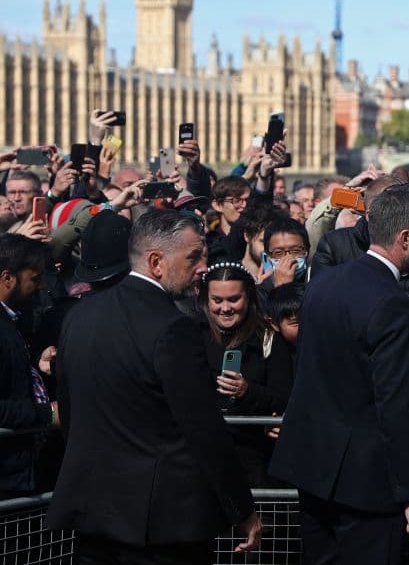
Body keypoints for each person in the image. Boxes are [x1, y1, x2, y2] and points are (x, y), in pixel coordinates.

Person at [48, 209, 261, 564]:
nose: (202, 268)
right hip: (161, 527)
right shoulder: (172, 328)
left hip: (94, 513)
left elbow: (70, 415)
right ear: (156, 262)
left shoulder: (79, 316)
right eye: (193, 257)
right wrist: (242, 509)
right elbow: (203, 430)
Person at [270, 187, 409, 563]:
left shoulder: (323, 282)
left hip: (312, 466)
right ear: (405, 238)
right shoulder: (390, 303)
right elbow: (397, 403)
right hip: (365, 483)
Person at [200, 262, 293, 487]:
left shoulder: (267, 338)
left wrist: (248, 391)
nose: (225, 308)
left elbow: (285, 395)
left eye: (234, 299)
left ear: (248, 298)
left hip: (255, 458)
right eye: (217, 300)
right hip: (206, 457)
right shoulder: (193, 335)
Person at [0, 234, 57, 499]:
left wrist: (35, 360)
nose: (41, 285)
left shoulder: (11, 321)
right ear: (7, 278)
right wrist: (46, 415)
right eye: (34, 279)